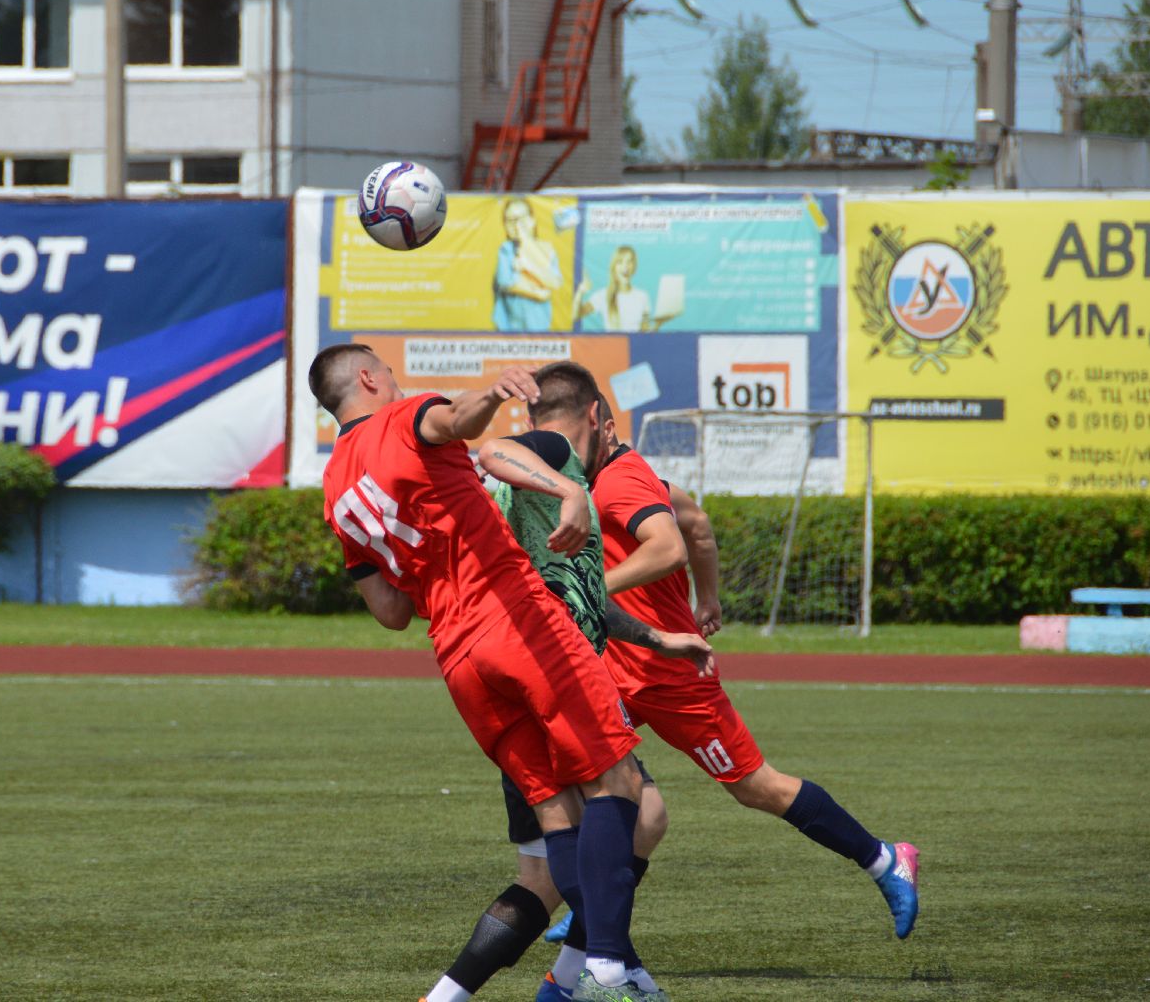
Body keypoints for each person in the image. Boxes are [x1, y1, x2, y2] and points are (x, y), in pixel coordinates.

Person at [307, 344, 652, 1002]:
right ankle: (609, 971)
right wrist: (494, 395)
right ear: (371, 378)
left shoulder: (336, 489)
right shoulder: (402, 417)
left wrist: (423, 546)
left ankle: (607, 971)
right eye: (390, 370)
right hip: (517, 620)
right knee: (618, 779)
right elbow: (457, 420)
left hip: (459, 658)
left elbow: (389, 611)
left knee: (556, 821)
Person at [421, 362, 714, 1002]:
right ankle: (606, 972)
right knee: (629, 802)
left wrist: (659, 637)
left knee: (554, 856)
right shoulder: (552, 453)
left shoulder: (531, 491)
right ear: (595, 416)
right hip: (545, 671)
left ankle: (492, 990)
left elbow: (571, 591)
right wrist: (570, 489)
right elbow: (491, 449)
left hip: (504, 667)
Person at [589, 409, 922, 942]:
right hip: (616, 665)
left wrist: (595, 586)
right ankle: (596, 913)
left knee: (756, 787)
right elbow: (696, 524)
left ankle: (885, 859)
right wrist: (710, 597)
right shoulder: (613, 476)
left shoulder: (620, 478)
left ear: (602, 426)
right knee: (604, 781)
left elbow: (673, 543)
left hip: (671, 673)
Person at [493, 198, 564, 332]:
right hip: (509, 328)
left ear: (532, 220)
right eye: (510, 220)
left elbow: (554, 282)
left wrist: (528, 266)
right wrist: (538, 293)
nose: (516, 224)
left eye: (520, 218)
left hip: (539, 326)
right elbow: (506, 282)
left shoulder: (546, 249)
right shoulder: (506, 249)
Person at [574, 246, 651, 333]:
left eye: (629, 262)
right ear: (614, 267)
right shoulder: (602, 295)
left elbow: (645, 330)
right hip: (614, 345)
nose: (625, 266)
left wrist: (658, 324)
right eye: (620, 262)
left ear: (634, 266)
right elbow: (575, 315)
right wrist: (580, 292)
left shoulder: (643, 296)